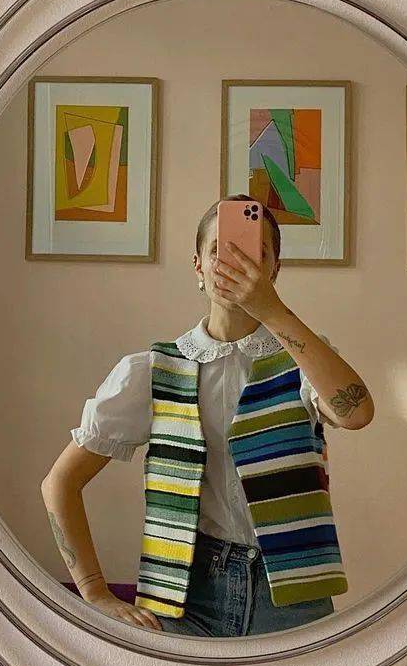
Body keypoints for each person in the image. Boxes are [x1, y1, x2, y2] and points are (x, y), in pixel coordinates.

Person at [40, 195, 374, 637]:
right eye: (219, 250)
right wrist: (94, 592)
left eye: (254, 252)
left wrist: (271, 309)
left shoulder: (305, 361)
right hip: (185, 596)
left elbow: (357, 413)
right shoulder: (152, 371)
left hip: (293, 597)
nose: (235, 262)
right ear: (198, 266)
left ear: (274, 269)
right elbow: (60, 483)